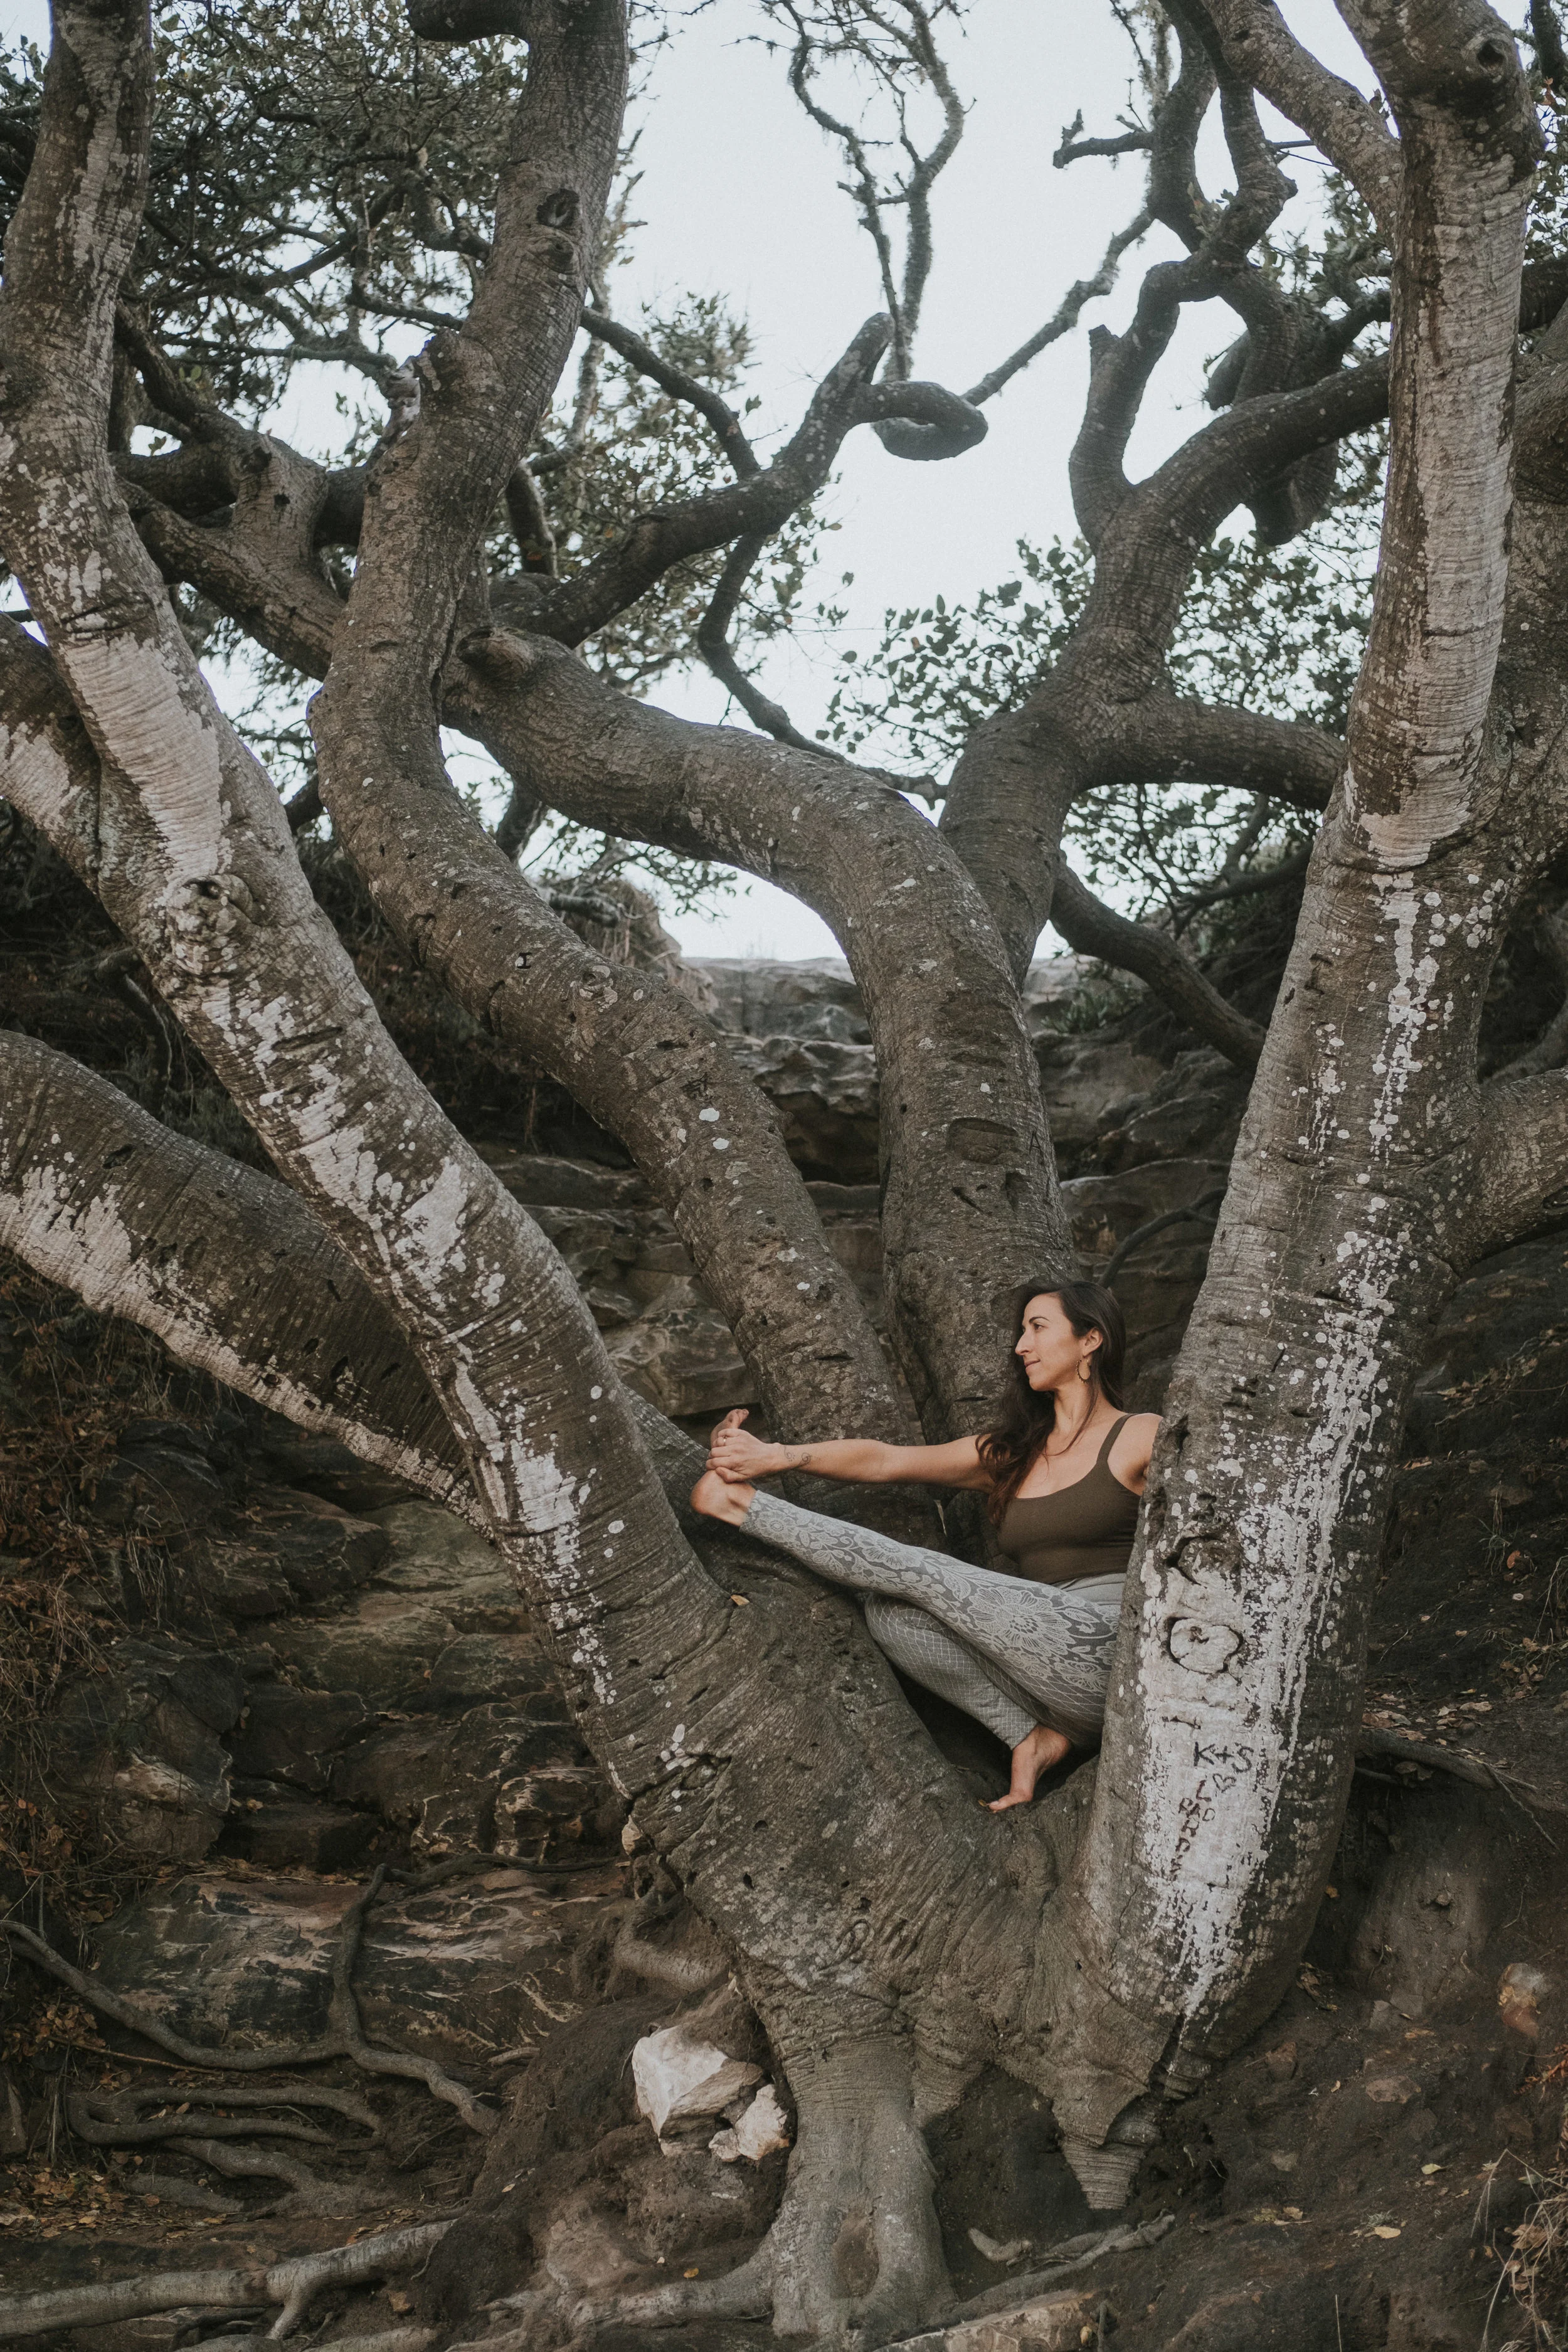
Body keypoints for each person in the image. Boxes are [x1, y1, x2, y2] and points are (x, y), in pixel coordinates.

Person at [691, 1281, 1159, 1810]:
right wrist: (774, 1455)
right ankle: (1030, 1737)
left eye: (1037, 1328)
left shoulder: (1142, 1435)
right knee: (890, 1611)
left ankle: (740, 1506)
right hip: (1043, 1684)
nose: (1020, 1346)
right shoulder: (1013, 1454)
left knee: (923, 1574)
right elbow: (888, 1461)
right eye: (1021, 1331)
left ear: (1091, 1339)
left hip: (1115, 1659)